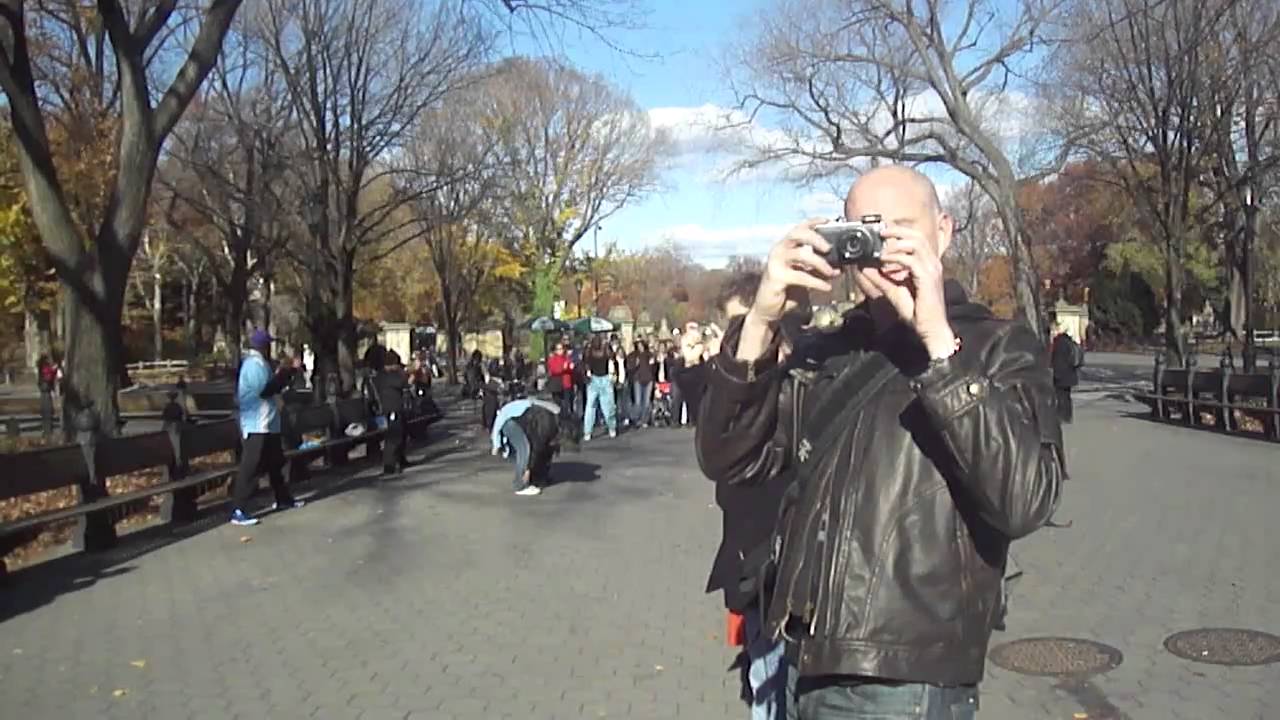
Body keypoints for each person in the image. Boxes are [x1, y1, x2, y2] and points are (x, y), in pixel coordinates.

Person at [696, 165, 1065, 719]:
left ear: (943, 231)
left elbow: (1025, 501)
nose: (884, 249)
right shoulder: (829, 352)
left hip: (903, 676)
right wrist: (762, 321)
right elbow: (729, 459)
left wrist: (939, 346)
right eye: (866, 231)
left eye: (901, 229)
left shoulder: (996, 347)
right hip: (797, 656)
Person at [677, 269, 795, 720]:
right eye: (733, 330)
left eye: (745, 327)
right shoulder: (738, 383)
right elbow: (712, 427)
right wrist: (692, 365)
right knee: (764, 671)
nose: (738, 340)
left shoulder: (798, 382)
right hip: (751, 558)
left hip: (785, 558)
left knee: (778, 678)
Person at [231, 329, 305, 527]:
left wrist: (285, 374)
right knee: (251, 465)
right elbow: (266, 390)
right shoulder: (253, 364)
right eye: (268, 344)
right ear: (262, 346)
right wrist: (286, 372)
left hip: (268, 422)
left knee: (275, 463)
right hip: (257, 423)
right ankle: (239, 509)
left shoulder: (261, 363)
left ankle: (283, 498)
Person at [491, 397, 562, 496]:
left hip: (526, 420)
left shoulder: (536, 410)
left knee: (539, 447)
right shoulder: (507, 411)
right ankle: (520, 485)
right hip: (511, 423)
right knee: (524, 448)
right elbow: (498, 425)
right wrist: (496, 443)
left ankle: (537, 477)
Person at [374, 349, 411, 475]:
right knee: (393, 437)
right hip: (391, 409)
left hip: (397, 407)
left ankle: (401, 459)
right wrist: (406, 375)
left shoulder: (387, 375)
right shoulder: (385, 376)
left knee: (402, 433)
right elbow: (402, 383)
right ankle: (389, 465)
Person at [582, 336, 619, 441]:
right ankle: (587, 431)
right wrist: (586, 375)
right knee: (590, 407)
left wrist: (614, 375)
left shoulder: (606, 349)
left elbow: (613, 360)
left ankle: (612, 427)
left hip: (605, 379)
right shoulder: (589, 351)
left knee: (608, 407)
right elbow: (584, 363)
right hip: (593, 379)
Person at [1050, 320, 1083, 423]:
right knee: (1066, 396)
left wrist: (1056, 374)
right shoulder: (1069, 341)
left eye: (1053, 330)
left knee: (1061, 396)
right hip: (1070, 374)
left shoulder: (1059, 343)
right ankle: (1068, 416)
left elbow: (1058, 360)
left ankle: (1062, 416)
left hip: (1062, 375)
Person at [626, 340, 656, 427]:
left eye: (641, 345)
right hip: (638, 379)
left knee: (646, 402)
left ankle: (644, 420)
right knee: (638, 401)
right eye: (638, 345)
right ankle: (637, 419)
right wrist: (636, 364)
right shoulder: (633, 355)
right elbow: (630, 368)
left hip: (649, 379)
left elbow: (654, 368)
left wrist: (653, 364)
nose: (640, 347)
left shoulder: (649, 354)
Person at [546, 342, 576, 418]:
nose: (560, 351)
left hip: (566, 384)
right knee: (558, 404)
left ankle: (567, 417)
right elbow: (554, 370)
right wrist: (564, 368)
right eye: (558, 349)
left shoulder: (567, 358)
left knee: (567, 403)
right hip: (557, 385)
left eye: (561, 349)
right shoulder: (552, 359)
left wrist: (569, 368)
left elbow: (571, 368)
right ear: (555, 351)